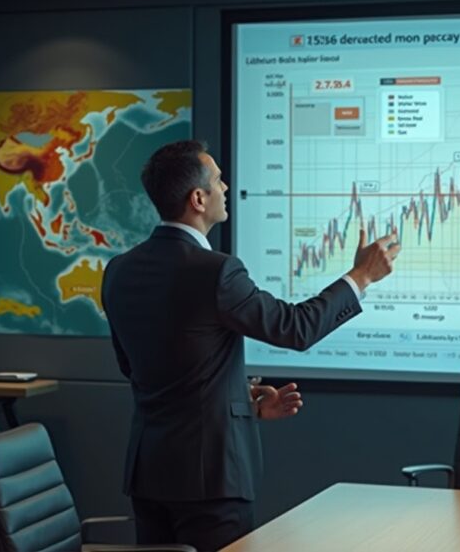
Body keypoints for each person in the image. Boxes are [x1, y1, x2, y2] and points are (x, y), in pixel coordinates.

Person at [101, 140, 399, 551]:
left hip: (149, 474)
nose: (226, 188)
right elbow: (296, 328)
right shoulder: (216, 271)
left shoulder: (118, 270)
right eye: (219, 180)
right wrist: (361, 277)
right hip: (211, 480)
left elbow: (143, 370)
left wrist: (245, 401)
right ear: (198, 198)